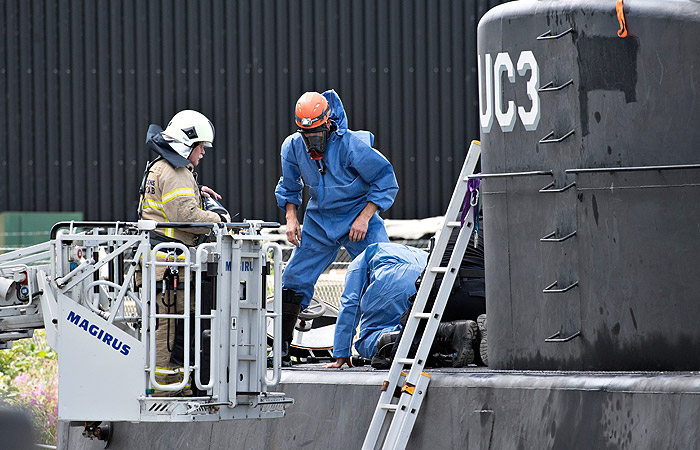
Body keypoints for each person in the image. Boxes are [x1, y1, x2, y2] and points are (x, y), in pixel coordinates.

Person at [274, 90, 399, 359]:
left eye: (316, 133)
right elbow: (289, 185)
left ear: (328, 124)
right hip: (319, 219)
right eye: (306, 134)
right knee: (294, 276)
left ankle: (385, 342)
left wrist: (365, 218)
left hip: (358, 216)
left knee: (384, 274)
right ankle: (281, 345)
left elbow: (385, 180)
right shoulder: (292, 147)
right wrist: (291, 218)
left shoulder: (352, 145)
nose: (311, 142)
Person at [138, 109, 230, 394]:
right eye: (200, 146)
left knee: (177, 330)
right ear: (185, 144)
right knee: (170, 333)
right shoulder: (175, 171)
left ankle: (177, 385)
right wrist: (219, 219)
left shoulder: (163, 166)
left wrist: (198, 192)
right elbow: (186, 217)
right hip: (168, 268)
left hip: (165, 266)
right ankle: (167, 391)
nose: (202, 152)